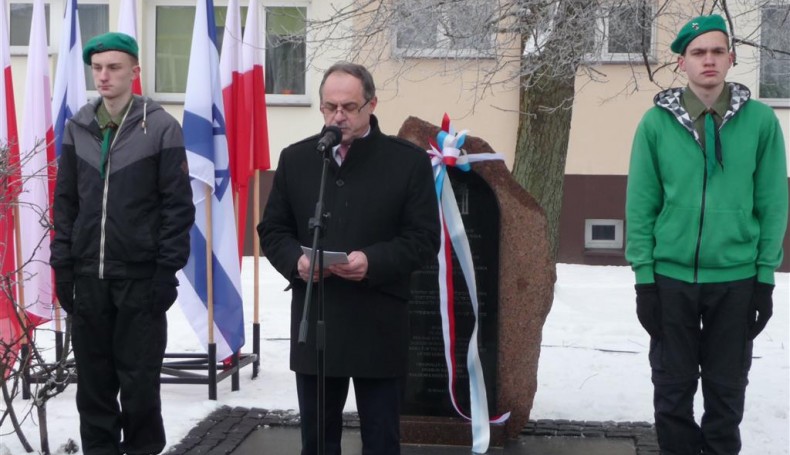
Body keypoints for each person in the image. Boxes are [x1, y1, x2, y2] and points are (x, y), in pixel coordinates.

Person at [258, 62, 440, 454]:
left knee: (381, 439)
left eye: (349, 107)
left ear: (371, 105)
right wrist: (297, 261)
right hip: (317, 319)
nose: (338, 116)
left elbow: (424, 239)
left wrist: (371, 262)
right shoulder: (298, 158)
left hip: (378, 322)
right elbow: (272, 231)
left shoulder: (407, 162)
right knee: (318, 442)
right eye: (329, 107)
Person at [625, 15, 788, 455]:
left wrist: (764, 277)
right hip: (671, 279)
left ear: (731, 58)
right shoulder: (655, 125)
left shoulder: (760, 123)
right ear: (682, 62)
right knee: (672, 389)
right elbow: (641, 204)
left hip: (735, 281)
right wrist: (644, 279)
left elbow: (773, 202)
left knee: (726, 389)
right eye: (698, 53)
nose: (709, 60)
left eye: (717, 51)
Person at [50, 32, 195, 455]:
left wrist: (165, 271)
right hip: (88, 278)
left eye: (113, 67)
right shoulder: (78, 127)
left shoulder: (162, 128)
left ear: (134, 71)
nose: (104, 76)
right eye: (97, 68)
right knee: (93, 386)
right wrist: (63, 267)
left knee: (139, 385)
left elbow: (177, 207)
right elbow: (66, 202)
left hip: (140, 280)